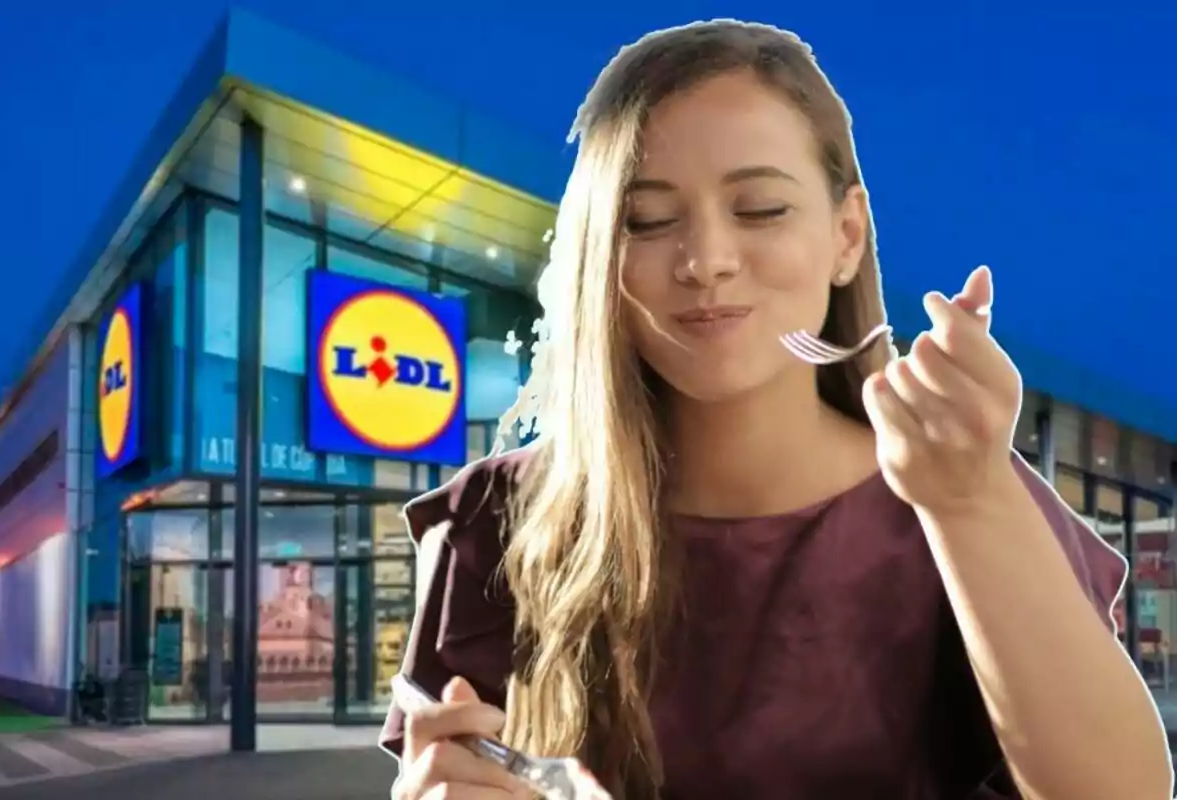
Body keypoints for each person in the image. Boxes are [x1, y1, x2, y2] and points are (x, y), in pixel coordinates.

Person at [381, 20, 1173, 800]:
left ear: (847, 237)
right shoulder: (498, 521)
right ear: (600, 257)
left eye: (759, 209)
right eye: (648, 221)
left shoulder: (959, 491)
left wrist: (969, 502)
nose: (707, 262)